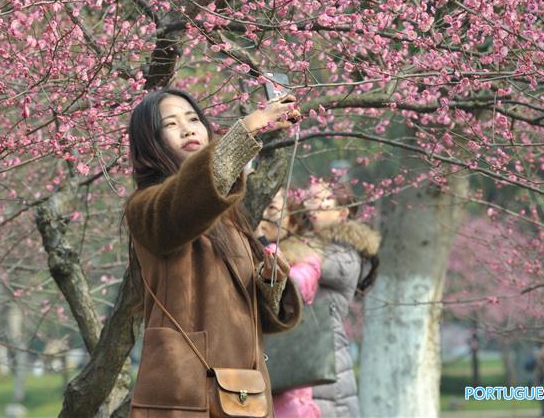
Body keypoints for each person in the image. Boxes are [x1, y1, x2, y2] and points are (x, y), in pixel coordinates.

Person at [125, 88, 304, 417]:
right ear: (150, 141)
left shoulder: (229, 217)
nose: (188, 128)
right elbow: (189, 199)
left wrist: (268, 281)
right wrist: (247, 128)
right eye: (171, 123)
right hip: (186, 395)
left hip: (243, 393)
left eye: (194, 119)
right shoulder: (146, 207)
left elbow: (252, 316)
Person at [302, 181, 380, 418]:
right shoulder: (306, 244)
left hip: (327, 356)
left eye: (324, 201)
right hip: (305, 353)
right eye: (310, 199)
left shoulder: (345, 253)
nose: (315, 206)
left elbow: (311, 263)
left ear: (342, 213)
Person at [256, 189, 322, 418]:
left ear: (292, 220)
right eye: (259, 205)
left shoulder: (306, 259)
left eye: (272, 208)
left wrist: (263, 245)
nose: (262, 214)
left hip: (290, 400)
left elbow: (294, 289)